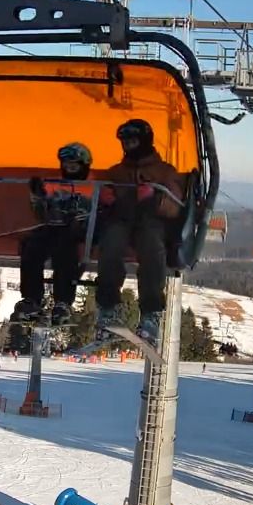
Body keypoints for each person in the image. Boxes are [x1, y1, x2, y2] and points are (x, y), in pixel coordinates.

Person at [94, 119, 186, 341]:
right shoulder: (116, 172)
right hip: (122, 222)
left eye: (133, 142)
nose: (128, 147)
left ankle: (151, 312)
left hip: (151, 223)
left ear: (144, 142)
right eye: (125, 143)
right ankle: (108, 308)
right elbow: (98, 200)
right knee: (110, 244)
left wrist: (154, 199)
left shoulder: (164, 172)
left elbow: (175, 206)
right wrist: (104, 199)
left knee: (152, 247)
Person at [13, 143, 94, 326]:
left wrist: (85, 218)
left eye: (74, 165)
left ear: (84, 164)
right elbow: (41, 214)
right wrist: (37, 196)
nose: (69, 169)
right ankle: (31, 299)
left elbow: (106, 209)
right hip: (55, 227)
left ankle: (63, 301)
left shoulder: (94, 185)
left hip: (82, 230)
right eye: (66, 165)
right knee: (31, 246)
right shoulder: (54, 184)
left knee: (65, 249)